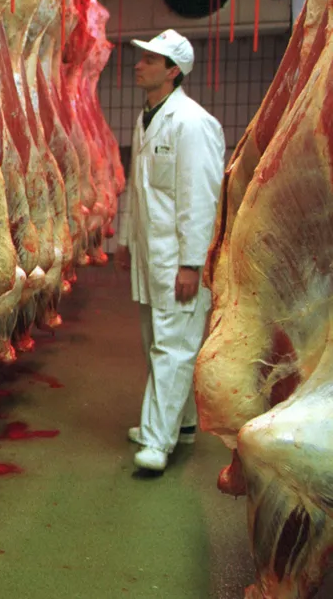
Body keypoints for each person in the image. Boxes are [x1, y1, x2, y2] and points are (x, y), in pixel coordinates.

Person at [115, 29, 225, 473]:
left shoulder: (191, 123)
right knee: (157, 341)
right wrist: (125, 241)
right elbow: (140, 193)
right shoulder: (147, 117)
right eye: (140, 57)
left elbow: (202, 198)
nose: (138, 64)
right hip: (149, 255)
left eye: (149, 59)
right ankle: (179, 424)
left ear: (173, 70)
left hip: (178, 259)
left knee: (173, 348)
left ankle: (158, 444)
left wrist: (192, 264)